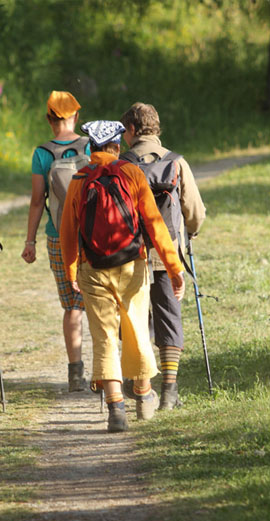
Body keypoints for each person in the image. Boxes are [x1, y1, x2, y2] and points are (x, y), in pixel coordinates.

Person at [58, 120, 185, 433]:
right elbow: (155, 225)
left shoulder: (79, 179)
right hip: (133, 266)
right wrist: (174, 268)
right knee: (136, 330)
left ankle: (116, 409)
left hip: (93, 270)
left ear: (91, 148)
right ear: (117, 147)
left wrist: (71, 269)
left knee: (103, 339)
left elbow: (67, 232)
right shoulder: (131, 174)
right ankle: (142, 394)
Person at [119, 102, 206, 410]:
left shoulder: (122, 164)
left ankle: (139, 382)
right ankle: (169, 390)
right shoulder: (176, 162)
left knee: (135, 319)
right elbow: (194, 211)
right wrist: (190, 233)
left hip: (130, 255)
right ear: (156, 129)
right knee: (169, 317)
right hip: (167, 255)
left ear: (130, 130)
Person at [21, 91, 90, 392]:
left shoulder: (42, 153)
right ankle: (110, 368)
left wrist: (30, 241)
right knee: (102, 300)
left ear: (49, 118)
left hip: (59, 237)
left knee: (72, 306)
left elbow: (38, 201)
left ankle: (76, 373)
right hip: (94, 236)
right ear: (76, 116)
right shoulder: (91, 145)